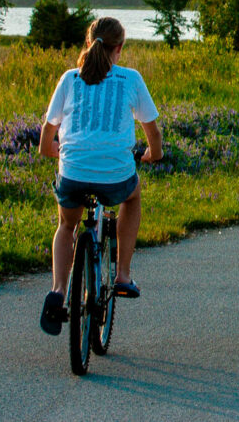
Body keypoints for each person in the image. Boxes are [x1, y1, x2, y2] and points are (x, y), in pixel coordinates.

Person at [38, 17, 163, 336]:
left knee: (67, 225)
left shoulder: (70, 79)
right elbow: (152, 133)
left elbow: (46, 139)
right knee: (132, 197)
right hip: (115, 172)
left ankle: (58, 292)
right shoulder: (130, 79)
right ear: (119, 48)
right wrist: (153, 155)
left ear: (88, 42)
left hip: (73, 171)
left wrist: (61, 152)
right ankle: (122, 275)